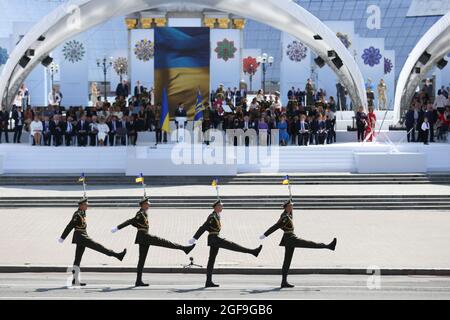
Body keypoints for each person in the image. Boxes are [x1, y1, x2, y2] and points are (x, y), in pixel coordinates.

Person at [112, 197, 195, 287]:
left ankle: (138, 281)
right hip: (144, 236)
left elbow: (135, 223)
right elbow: (130, 221)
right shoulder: (140, 214)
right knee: (164, 242)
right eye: (147, 204)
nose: (149, 205)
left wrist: (135, 226)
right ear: (143, 205)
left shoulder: (143, 213)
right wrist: (117, 228)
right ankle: (184, 248)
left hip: (143, 237)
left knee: (142, 260)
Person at [260, 199, 337, 288]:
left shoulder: (287, 214)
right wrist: (265, 235)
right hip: (291, 239)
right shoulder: (285, 217)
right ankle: (328, 246)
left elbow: (290, 214)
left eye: (292, 206)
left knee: (287, 261)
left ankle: (284, 282)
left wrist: (290, 201)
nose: (292, 207)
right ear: (287, 207)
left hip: (289, 239)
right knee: (310, 244)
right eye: (291, 206)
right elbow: (276, 226)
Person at [189, 200, 262, 288]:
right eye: (220, 206)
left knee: (211, 260)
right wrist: (194, 238)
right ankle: (253, 252)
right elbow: (203, 227)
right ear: (216, 207)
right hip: (214, 239)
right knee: (232, 245)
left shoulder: (216, 216)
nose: (222, 207)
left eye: (222, 206)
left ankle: (208, 282)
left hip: (214, 239)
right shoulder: (212, 217)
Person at [58, 197, 127, 286]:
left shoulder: (82, 213)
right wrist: (62, 238)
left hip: (82, 237)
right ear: (81, 205)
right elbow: (70, 226)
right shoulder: (77, 215)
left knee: (77, 259)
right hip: (81, 237)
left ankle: (75, 280)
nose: (87, 205)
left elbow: (81, 219)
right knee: (99, 247)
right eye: (86, 204)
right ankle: (118, 255)